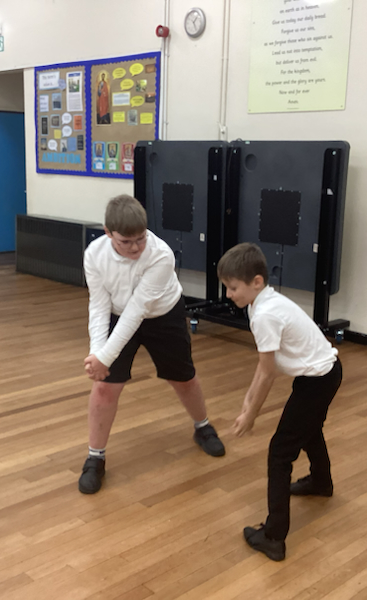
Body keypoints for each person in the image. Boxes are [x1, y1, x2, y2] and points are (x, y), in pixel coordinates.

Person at [79, 195, 225, 494]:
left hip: (162, 315)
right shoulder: (94, 254)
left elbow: (137, 311)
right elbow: (99, 304)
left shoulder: (161, 255)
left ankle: (202, 426)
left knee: (183, 379)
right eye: (126, 241)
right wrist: (97, 354)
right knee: (104, 387)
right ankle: (95, 458)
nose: (135, 247)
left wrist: (106, 356)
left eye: (140, 239)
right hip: (117, 314)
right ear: (108, 233)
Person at [217, 243, 342, 561]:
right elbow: (264, 367)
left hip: (318, 379)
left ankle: (273, 536)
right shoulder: (261, 304)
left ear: (256, 282)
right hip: (324, 374)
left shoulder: (265, 315)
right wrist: (247, 402)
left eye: (233, 287)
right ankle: (321, 482)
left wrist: (252, 415)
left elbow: (269, 373)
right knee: (309, 429)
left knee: (280, 452)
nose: (228, 294)